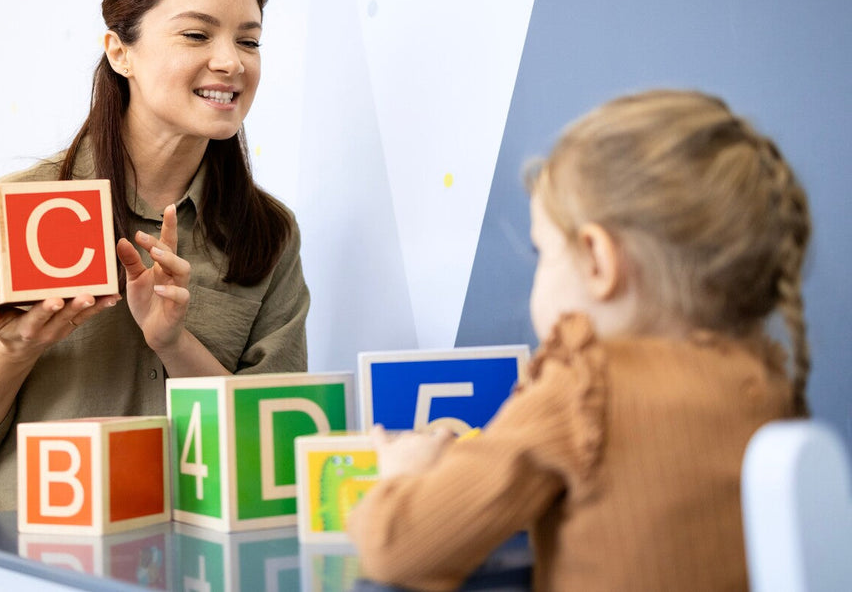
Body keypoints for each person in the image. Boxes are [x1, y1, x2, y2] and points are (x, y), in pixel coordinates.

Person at [0, 0, 310, 514]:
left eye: (249, 40)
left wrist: (172, 342)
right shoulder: (22, 209)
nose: (231, 61)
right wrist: (14, 349)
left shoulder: (268, 233)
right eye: (197, 34)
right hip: (29, 558)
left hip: (198, 554)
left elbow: (273, 446)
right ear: (120, 53)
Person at [347, 90, 811, 591]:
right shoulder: (766, 381)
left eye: (542, 250)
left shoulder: (582, 391)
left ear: (597, 261)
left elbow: (396, 547)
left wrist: (400, 475)